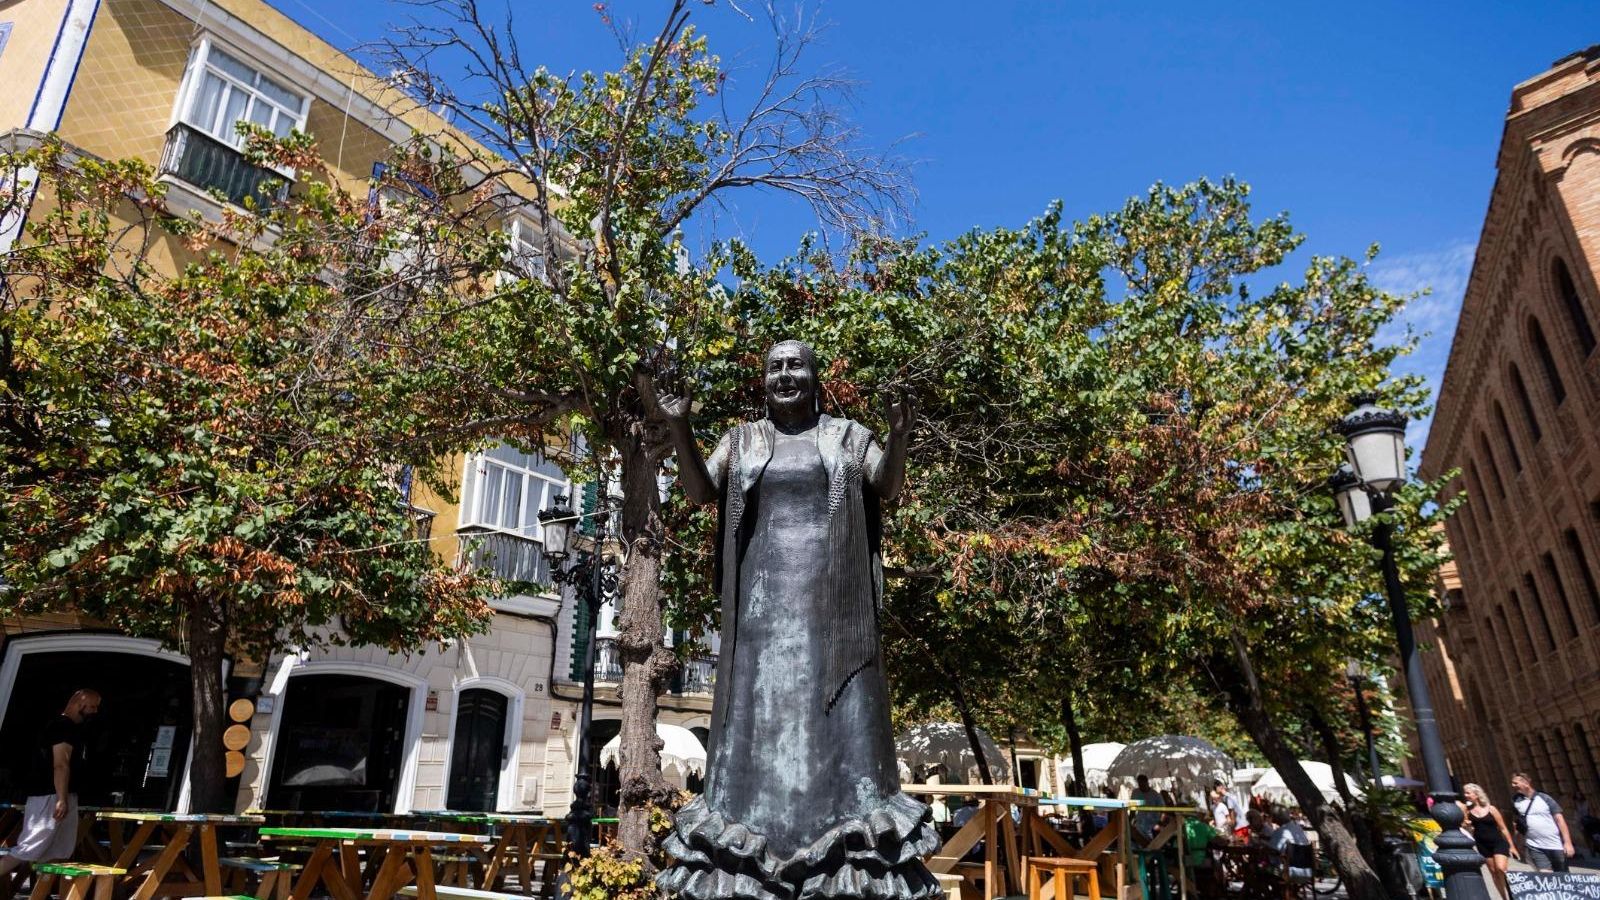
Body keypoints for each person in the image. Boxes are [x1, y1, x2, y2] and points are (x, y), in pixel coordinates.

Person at [652, 342, 937, 900]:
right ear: (764, 380)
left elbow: (886, 484)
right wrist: (679, 426)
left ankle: (851, 870)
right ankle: (748, 869)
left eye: (796, 366)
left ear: (815, 378)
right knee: (757, 734)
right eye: (775, 367)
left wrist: (898, 435)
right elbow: (699, 490)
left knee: (843, 734)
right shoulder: (743, 440)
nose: (786, 375)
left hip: (837, 613)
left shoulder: (845, 436)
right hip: (760, 619)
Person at [0, 690, 101, 883]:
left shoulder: (70, 729)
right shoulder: (62, 727)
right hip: (50, 795)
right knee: (30, 847)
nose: (95, 712)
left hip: (63, 794)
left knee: (59, 849)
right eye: (92, 706)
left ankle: (42, 892)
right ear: (80, 704)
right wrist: (61, 798)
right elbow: (60, 764)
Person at [1462, 783, 1517, 900]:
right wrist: (1467, 826)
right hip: (1482, 844)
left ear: (1476, 794)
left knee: (1501, 869)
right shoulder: (1468, 811)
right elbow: (1465, 828)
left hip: (1497, 842)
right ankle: (1504, 897)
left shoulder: (1491, 809)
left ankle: (1513, 892)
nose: (1465, 795)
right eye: (1465, 793)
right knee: (1493, 873)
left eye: (1468, 793)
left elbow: (1503, 828)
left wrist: (1512, 846)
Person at [1512, 772, 1575, 872]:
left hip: (1555, 844)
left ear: (1526, 783)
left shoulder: (1545, 798)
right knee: (1546, 878)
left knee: (1563, 877)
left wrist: (1568, 843)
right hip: (1534, 846)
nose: (1513, 786)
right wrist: (1517, 843)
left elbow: (1560, 819)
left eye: (1516, 783)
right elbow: (1517, 822)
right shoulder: (1516, 801)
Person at [1267, 806, 1313, 884]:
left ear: (1278, 818)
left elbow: (1272, 849)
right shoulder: (1298, 828)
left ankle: (1272, 894)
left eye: (1273, 816)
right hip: (1307, 871)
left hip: (1288, 872)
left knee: (1260, 870)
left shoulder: (1280, 831)